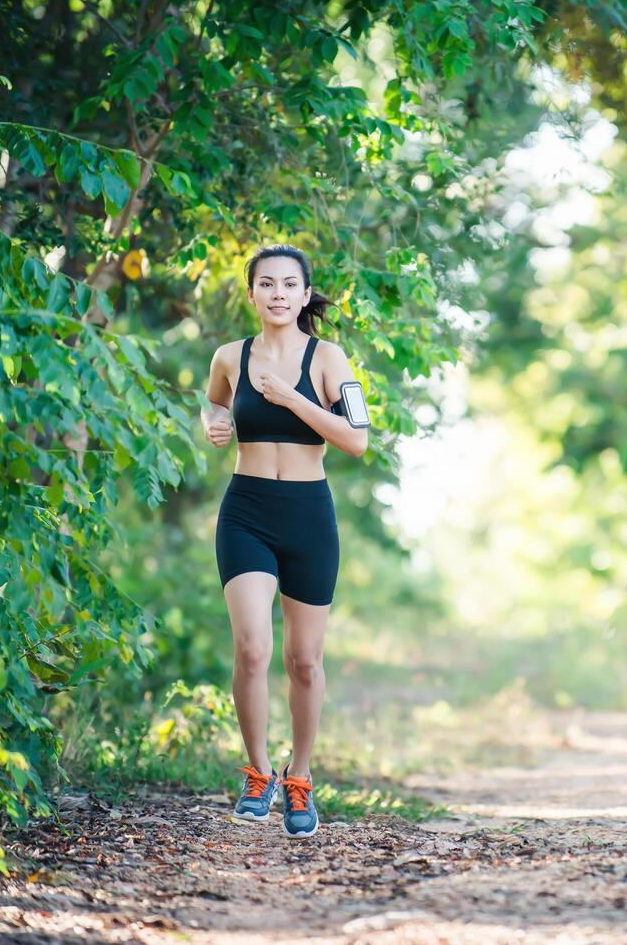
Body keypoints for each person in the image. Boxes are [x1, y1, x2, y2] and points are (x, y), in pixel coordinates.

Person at [200, 244, 369, 838]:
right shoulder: (229, 355)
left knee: (304, 660)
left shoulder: (328, 358)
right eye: (265, 284)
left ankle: (299, 779)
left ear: (303, 294)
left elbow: (357, 440)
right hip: (245, 509)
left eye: (288, 284)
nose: (276, 293)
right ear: (251, 294)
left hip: (307, 515)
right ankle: (258, 773)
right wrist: (213, 425)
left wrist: (293, 399)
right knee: (252, 649)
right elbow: (213, 400)